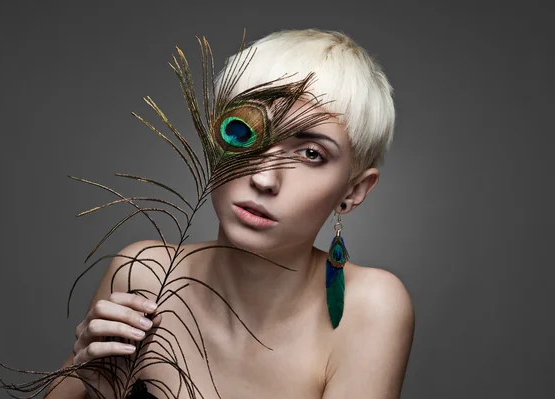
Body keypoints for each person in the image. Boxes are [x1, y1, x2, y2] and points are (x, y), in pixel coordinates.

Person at [48, 29, 414, 399]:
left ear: (353, 191)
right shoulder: (143, 274)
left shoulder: (369, 308)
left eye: (311, 154)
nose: (264, 178)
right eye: (245, 131)